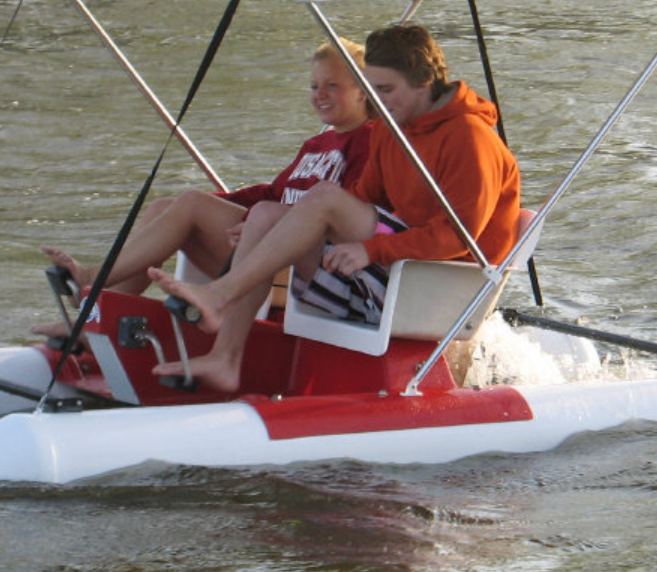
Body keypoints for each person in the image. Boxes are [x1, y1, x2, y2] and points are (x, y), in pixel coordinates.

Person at [150, 23, 521, 392]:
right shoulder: (393, 130)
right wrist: (276, 229)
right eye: (371, 89)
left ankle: (219, 295)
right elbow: (362, 197)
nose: (377, 101)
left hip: (436, 284)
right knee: (264, 214)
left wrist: (371, 248)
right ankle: (225, 358)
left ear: (423, 83)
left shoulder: (469, 137)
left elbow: (459, 238)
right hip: (392, 270)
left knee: (325, 196)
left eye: (386, 90)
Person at [31, 39, 373, 338]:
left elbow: (340, 215)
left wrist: (253, 220)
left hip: (299, 269)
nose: (320, 95)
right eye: (314, 86)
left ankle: (95, 277)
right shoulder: (317, 144)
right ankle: (92, 323)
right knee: (167, 208)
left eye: (332, 86)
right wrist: (232, 214)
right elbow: (271, 195)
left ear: (363, 90)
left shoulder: (370, 141)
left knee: (191, 205)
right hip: (261, 248)